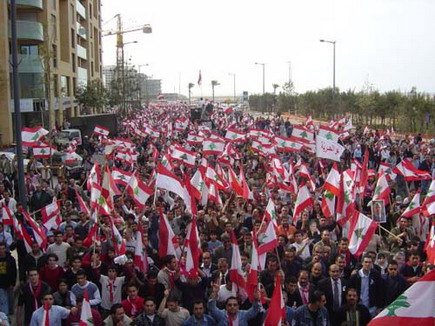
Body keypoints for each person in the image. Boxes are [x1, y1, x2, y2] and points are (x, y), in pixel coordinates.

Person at [0, 242, 16, 316]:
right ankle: (6, 317)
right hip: (1, 284)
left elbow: (14, 271)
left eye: (3, 248)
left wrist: (13, 283)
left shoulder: (11, 259)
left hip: (9, 283)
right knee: (4, 301)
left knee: (10, 300)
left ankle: (10, 312)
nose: (1, 250)